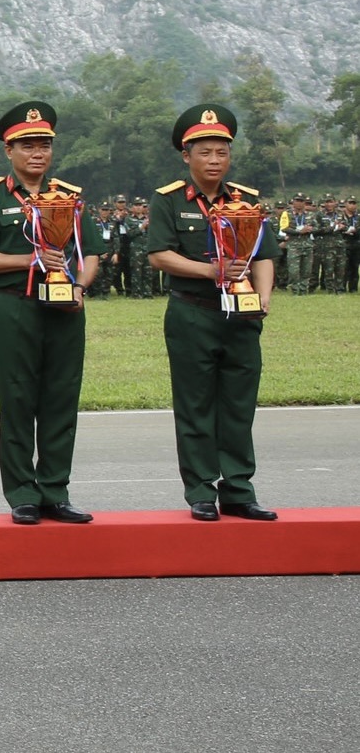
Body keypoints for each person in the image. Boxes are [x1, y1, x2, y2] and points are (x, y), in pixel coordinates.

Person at [0, 101, 100, 525]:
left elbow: (91, 252)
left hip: (64, 308)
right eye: (27, 146)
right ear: (9, 151)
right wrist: (29, 260)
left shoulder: (69, 198)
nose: (37, 153)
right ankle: (22, 493)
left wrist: (79, 286)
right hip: (15, 307)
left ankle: (55, 491)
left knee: (62, 397)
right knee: (18, 398)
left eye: (44, 145)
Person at [146, 104, 279, 523]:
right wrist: (211, 271)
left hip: (241, 317)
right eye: (204, 152)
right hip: (193, 312)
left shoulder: (246, 201)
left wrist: (263, 296)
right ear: (187, 156)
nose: (214, 160)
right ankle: (201, 490)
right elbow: (159, 255)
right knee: (195, 405)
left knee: (239, 405)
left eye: (222, 152)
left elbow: (264, 254)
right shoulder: (168, 200)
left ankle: (238, 490)